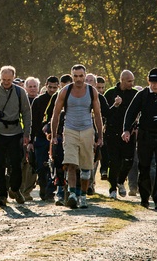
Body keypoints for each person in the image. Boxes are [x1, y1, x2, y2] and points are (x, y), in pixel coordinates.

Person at [50, 64, 104, 209]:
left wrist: (100, 136)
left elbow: (97, 115)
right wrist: (54, 135)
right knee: (71, 163)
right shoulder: (65, 92)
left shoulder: (92, 91)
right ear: (72, 76)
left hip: (87, 130)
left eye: (81, 76)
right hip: (70, 130)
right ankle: (72, 194)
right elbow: (55, 114)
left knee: (86, 168)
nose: (78, 79)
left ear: (85, 75)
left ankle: (83, 196)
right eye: (75, 76)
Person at [122, 68, 157, 210]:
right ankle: (145, 198)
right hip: (145, 136)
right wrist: (126, 130)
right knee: (144, 167)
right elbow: (131, 113)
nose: (155, 85)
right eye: (152, 82)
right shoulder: (142, 95)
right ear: (148, 81)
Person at [0, 66, 32, 206]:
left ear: (13, 78)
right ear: (0, 78)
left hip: (16, 133)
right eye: (4, 79)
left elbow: (27, 113)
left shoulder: (20, 92)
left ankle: (15, 189)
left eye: (9, 79)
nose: (6, 82)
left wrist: (27, 133)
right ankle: (1, 195)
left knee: (16, 164)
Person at [103, 70, 138, 199]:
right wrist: (115, 105)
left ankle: (120, 181)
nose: (132, 83)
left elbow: (139, 112)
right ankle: (112, 188)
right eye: (129, 81)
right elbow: (105, 113)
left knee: (129, 160)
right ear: (122, 80)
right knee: (114, 161)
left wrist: (135, 126)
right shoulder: (110, 93)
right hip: (112, 132)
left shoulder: (135, 94)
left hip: (129, 132)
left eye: (133, 81)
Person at [30, 76, 60, 201]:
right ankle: (43, 188)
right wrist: (31, 140)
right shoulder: (38, 100)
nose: (52, 90)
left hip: (56, 137)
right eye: (50, 87)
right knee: (41, 165)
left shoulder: (61, 99)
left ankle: (50, 191)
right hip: (41, 138)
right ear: (46, 85)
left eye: (55, 87)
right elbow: (33, 121)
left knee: (54, 165)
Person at [46, 73, 73, 205]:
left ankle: (75, 192)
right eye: (61, 87)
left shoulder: (80, 95)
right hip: (59, 136)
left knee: (74, 165)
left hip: (75, 134)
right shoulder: (57, 97)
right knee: (59, 164)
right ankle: (61, 192)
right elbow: (50, 116)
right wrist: (50, 130)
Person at [21, 76, 41, 201]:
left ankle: (27, 191)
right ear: (26, 88)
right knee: (22, 164)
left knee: (33, 164)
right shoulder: (22, 100)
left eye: (35, 86)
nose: (33, 89)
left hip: (37, 137)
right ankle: (19, 189)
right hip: (22, 136)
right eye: (30, 86)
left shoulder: (41, 100)